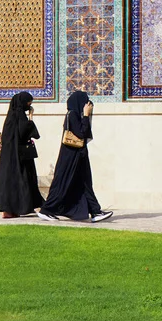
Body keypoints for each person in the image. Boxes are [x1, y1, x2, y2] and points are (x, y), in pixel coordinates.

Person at [38, 90, 113, 222]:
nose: (87, 104)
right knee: (62, 183)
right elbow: (82, 133)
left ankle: (95, 211)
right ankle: (47, 210)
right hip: (71, 157)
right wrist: (85, 115)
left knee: (85, 184)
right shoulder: (72, 115)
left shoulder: (74, 114)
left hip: (79, 156)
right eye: (85, 102)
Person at [0, 91, 44, 218]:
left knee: (11, 180)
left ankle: (10, 209)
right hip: (19, 157)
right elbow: (24, 132)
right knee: (21, 179)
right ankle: (19, 208)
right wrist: (31, 118)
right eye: (28, 103)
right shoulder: (19, 115)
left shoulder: (10, 116)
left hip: (9, 157)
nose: (29, 106)